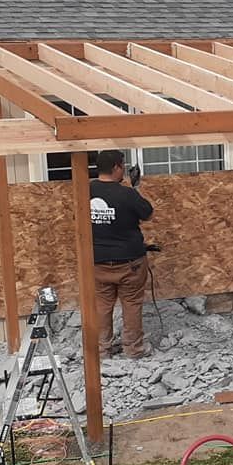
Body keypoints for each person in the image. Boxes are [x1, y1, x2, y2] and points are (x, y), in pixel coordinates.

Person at [90, 150, 154, 358]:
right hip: (129, 262)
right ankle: (133, 350)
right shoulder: (127, 194)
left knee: (102, 305)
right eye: (123, 166)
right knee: (132, 304)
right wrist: (135, 188)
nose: (124, 170)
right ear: (116, 167)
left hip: (98, 261)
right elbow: (148, 214)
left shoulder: (85, 191)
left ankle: (102, 350)